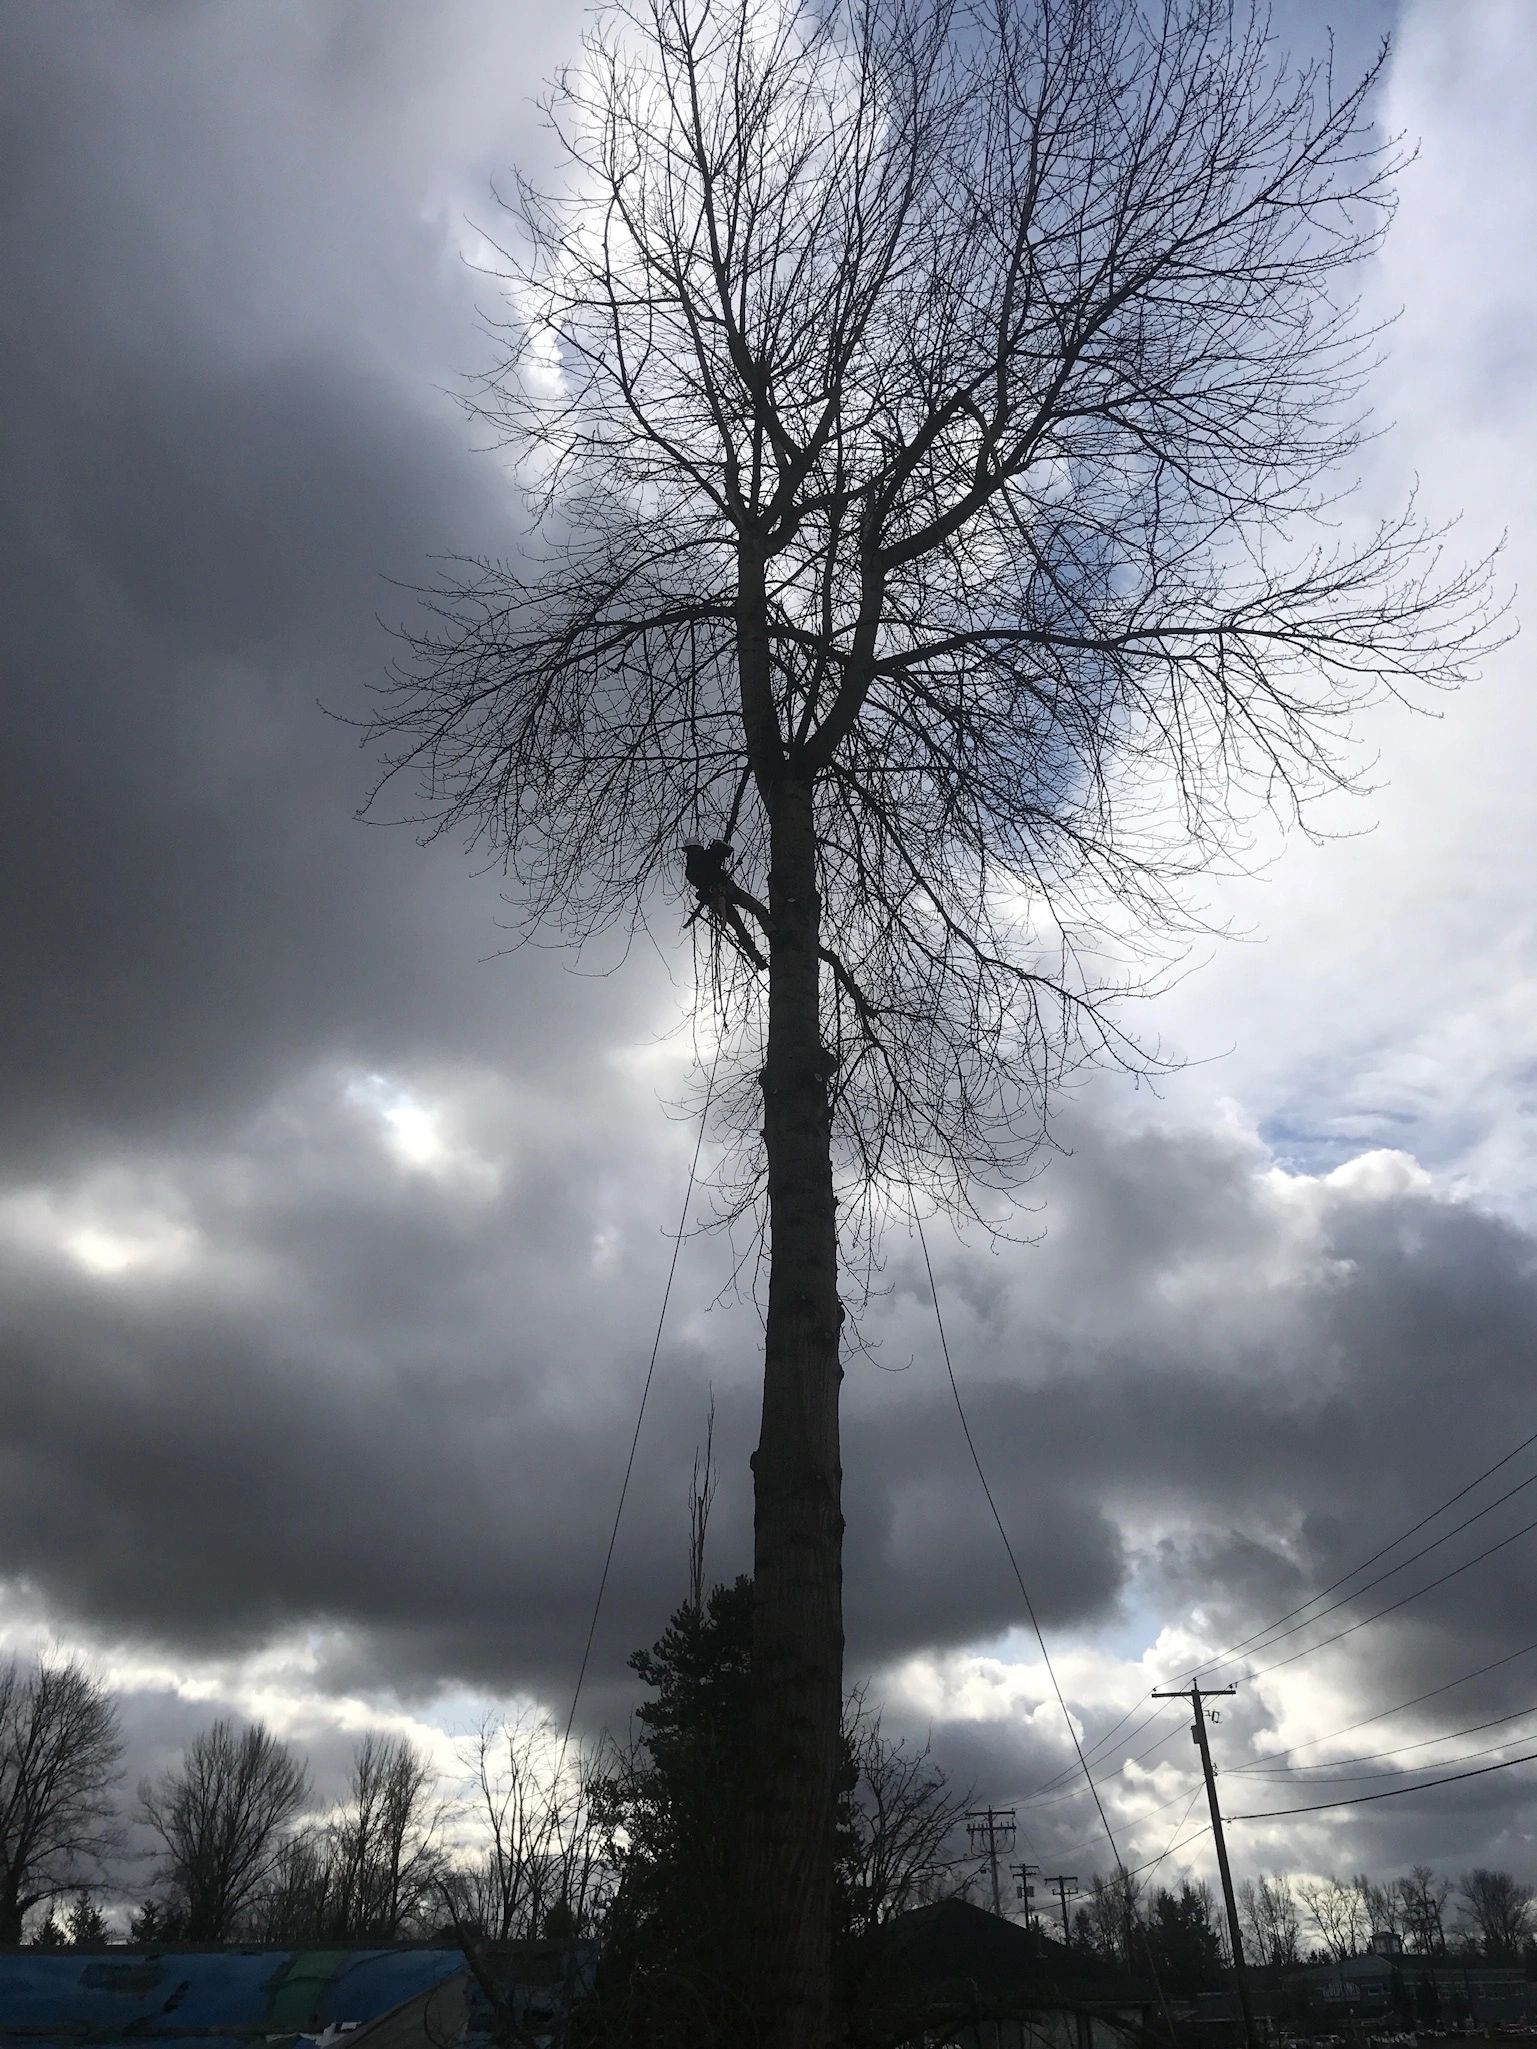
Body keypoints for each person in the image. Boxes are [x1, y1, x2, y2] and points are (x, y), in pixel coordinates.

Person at [682, 838, 766, 969]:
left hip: (716, 901)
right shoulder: (707, 855)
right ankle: (773, 932)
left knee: (740, 929)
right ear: (698, 847)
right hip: (726, 890)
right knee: (757, 908)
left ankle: (756, 959)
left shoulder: (690, 870)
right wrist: (717, 848)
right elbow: (727, 851)